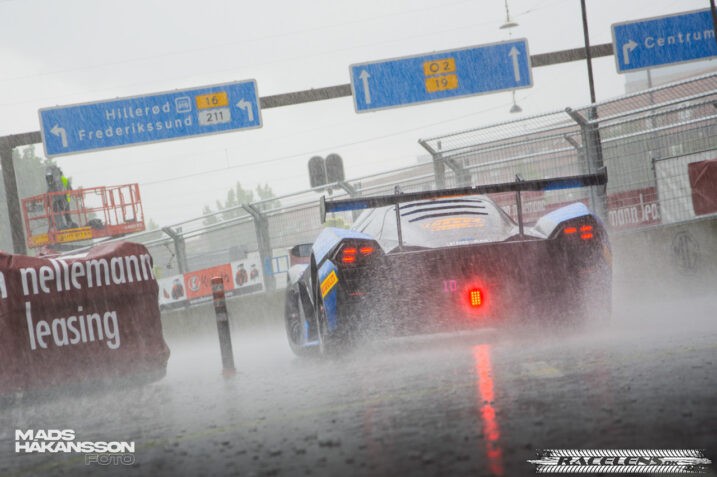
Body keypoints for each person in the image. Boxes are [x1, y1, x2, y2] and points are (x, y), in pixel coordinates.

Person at [45, 165, 73, 230]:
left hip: (63, 200)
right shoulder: (53, 183)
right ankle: (66, 224)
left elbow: (69, 190)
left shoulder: (62, 181)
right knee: (65, 215)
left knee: (59, 213)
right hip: (62, 201)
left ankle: (62, 226)